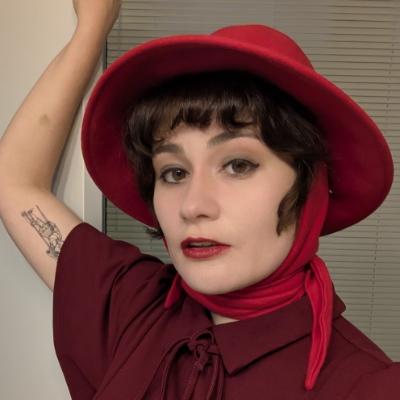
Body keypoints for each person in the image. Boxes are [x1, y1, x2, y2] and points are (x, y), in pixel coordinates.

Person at [0, 1, 399, 399]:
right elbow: (14, 182)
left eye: (238, 165)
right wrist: (92, 28)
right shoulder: (131, 302)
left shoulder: (370, 386)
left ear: (310, 185)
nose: (192, 206)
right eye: (174, 173)